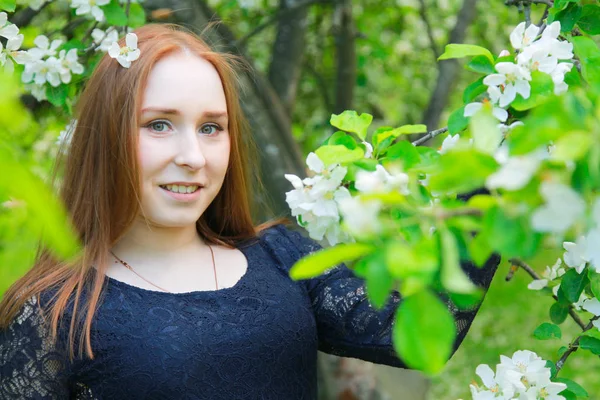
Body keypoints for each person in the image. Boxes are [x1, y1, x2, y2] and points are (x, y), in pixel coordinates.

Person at [0, 23, 500, 399]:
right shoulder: (56, 313)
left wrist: (498, 173)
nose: (192, 157)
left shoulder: (281, 256)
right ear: (108, 138)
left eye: (211, 128)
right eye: (158, 124)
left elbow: (416, 332)